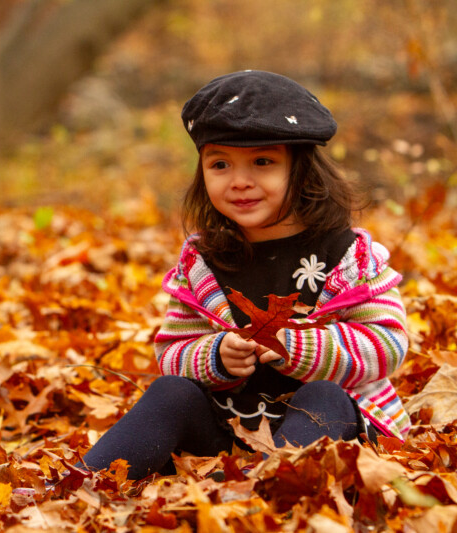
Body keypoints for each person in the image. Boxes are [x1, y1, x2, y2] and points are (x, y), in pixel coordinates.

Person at [80, 70, 410, 480]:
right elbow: (172, 353)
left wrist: (301, 347)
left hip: (329, 430)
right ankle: (81, 483)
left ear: (302, 170)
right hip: (228, 434)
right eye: (220, 164)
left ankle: (271, 486)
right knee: (171, 392)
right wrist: (215, 355)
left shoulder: (348, 257)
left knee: (324, 396)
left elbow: (388, 346)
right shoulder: (205, 263)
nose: (239, 182)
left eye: (263, 162)